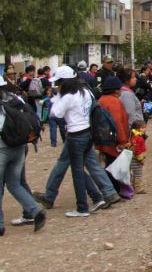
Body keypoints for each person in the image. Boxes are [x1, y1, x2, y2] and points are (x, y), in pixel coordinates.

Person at [44, 66, 120, 217]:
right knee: (90, 164)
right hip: (87, 132)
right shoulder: (85, 91)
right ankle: (105, 194)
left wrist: (56, 98)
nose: (57, 86)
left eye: (58, 83)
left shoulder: (68, 96)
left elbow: (55, 113)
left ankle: (82, 207)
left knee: (76, 171)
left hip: (75, 135)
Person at [0, 75, 47, 235]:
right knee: (14, 184)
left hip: (2, 149)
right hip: (20, 147)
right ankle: (35, 210)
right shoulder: (15, 98)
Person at [97, 77, 130, 195]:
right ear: (116, 90)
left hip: (104, 137)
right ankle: (113, 190)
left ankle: (111, 189)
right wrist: (122, 140)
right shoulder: (113, 101)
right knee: (114, 166)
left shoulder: (101, 100)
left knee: (109, 164)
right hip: (112, 140)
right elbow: (117, 122)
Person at [129, 121, 147, 194]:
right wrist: (141, 159)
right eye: (142, 128)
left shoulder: (133, 137)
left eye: (145, 128)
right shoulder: (138, 138)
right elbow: (137, 151)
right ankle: (139, 188)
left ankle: (133, 186)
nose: (144, 129)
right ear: (137, 129)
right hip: (136, 159)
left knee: (134, 174)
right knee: (138, 175)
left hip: (132, 159)